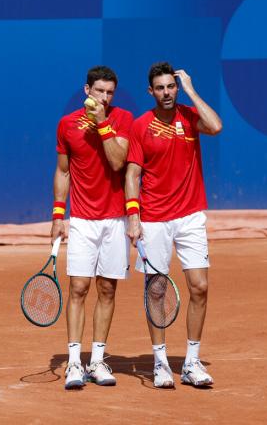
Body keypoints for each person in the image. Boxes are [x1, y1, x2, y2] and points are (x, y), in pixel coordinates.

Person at [125, 62, 222, 388]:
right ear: (150, 92)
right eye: (161, 88)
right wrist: (133, 216)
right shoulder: (141, 126)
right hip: (153, 219)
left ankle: (192, 363)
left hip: (191, 215)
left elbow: (216, 126)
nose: (167, 93)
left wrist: (192, 91)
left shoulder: (190, 117)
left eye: (172, 86)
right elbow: (133, 174)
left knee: (200, 287)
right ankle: (161, 362)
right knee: (157, 288)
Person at [51, 66, 133, 389]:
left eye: (110, 92)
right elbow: (62, 171)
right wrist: (59, 214)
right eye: (99, 91)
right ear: (87, 90)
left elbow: (117, 162)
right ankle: (74, 363)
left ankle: (97, 360)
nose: (105, 97)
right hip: (83, 219)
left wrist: (102, 122)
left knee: (107, 289)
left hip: (115, 220)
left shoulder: (123, 119)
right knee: (78, 288)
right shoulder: (67, 124)